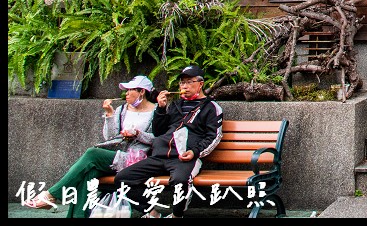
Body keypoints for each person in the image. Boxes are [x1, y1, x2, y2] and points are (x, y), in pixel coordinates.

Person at [25, 75, 156, 217]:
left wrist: (137, 134)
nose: (127, 94)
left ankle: (52, 194)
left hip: (136, 160)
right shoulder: (123, 109)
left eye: (130, 90)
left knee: (92, 154)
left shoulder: (156, 112)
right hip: (115, 156)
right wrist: (110, 114)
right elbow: (110, 137)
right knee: (89, 175)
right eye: (126, 90)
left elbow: (158, 140)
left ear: (142, 92)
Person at [114, 64, 224, 218]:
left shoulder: (211, 108)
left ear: (200, 84)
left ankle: (176, 215)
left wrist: (195, 152)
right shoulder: (176, 105)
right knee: (123, 178)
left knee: (180, 181)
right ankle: (151, 212)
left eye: (189, 82)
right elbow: (158, 132)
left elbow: (214, 137)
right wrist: (160, 109)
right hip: (160, 155)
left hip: (184, 158)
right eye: (182, 83)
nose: (184, 86)